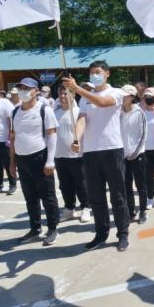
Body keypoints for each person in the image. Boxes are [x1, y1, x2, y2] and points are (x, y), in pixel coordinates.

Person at [62, 60, 130, 252]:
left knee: (118, 196)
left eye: (98, 72)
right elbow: (82, 119)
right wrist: (76, 138)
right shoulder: (84, 99)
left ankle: (123, 233)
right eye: (92, 72)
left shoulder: (116, 92)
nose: (94, 75)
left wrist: (77, 88)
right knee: (96, 197)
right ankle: (101, 234)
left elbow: (102, 102)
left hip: (112, 149)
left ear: (107, 73)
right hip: (91, 152)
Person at [9, 78, 60, 245]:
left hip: (39, 158)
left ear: (36, 91)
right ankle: (35, 229)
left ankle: (53, 228)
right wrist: (12, 162)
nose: (23, 91)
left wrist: (50, 161)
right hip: (22, 159)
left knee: (48, 196)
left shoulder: (44, 109)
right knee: (30, 197)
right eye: (20, 88)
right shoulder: (15, 111)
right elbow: (13, 137)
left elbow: (52, 135)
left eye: (27, 88)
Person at [54, 86, 91, 223]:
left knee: (81, 183)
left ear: (73, 95)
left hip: (77, 156)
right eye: (61, 93)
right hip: (59, 155)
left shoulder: (78, 112)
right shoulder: (55, 113)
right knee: (65, 185)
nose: (63, 96)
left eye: (65, 93)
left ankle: (86, 207)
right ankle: (69, 208)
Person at [120, 85, 148, 224]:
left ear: (132, 97)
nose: (122, 97)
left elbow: (143, 135)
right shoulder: (118, 112)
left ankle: (143, 211)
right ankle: (131, 211)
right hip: (123, 156)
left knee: (140, 185)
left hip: (138, 155)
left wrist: (134, 153)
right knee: (126, 186)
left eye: (125, 95)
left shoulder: (139, 112)